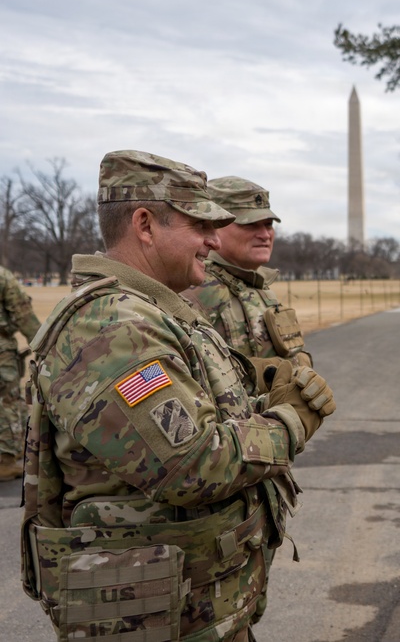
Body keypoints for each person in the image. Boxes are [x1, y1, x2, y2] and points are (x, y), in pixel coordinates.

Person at [20, 150, 336, 642]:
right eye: (198, 224)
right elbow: (192, 464)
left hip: (192, 606)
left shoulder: (155, 314)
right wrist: (290, 421)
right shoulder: (111, 329)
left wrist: (264, 400)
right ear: (144, 224)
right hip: (152, 616)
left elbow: (196, 420)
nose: (214, 239)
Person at [182, 175, 312, 367]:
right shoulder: (195, 289)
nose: (265, 235)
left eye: (269, 224)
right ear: (213, 225)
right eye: (250, 224)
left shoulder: (259, 286)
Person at [0, 264, 40, 481]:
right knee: (6, 402)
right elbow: (23, 315)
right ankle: (4, 461)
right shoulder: (2, 276)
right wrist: (44, 344)